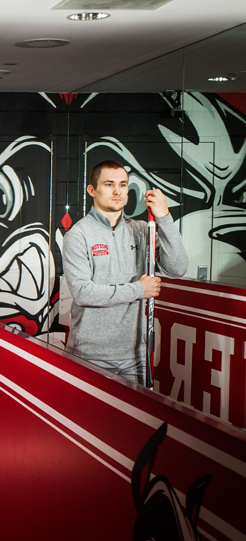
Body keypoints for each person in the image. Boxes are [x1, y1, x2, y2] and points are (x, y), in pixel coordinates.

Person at [63, 160, 188, 383]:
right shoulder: (78, 235)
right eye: (109, 184)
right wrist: (138, 290)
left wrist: (164, 218)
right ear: (92, 190)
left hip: (135, 356)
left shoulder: (140, 230)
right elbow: (83, 292)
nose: (117, 191)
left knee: (134, 419)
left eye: (123, 184)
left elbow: (177, 268)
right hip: (90, 357)